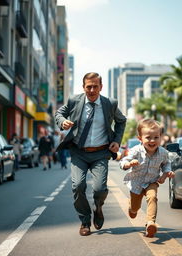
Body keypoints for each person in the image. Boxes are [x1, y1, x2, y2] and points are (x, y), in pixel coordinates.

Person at [55, 72, 126, 236]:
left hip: (101, 152)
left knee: (100, 189)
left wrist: (117, 140)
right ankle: (85, 221)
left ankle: (98, 207)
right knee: (78, 186)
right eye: (89, 86)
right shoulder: (74, 101)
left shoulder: (110, 104)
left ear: (101, 87)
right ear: (83, 87)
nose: (92, 90)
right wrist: (62, 121)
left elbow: (121, 121)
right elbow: (59, 114)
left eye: (95, 86)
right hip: (79, 152)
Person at [119, 119, 175, 238]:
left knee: (152, 197)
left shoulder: (163, 153)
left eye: (156, 137)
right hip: (136, 183)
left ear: (161, 137)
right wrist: (129, 164)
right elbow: (124, 160)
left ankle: (150, 223)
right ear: (140, 138)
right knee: (135, 208)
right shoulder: (135, 150)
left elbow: (166, 164)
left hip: (152, 181)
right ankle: (132, 208)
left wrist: (166, 174)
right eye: (148, 137)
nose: (152, 141)